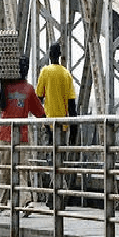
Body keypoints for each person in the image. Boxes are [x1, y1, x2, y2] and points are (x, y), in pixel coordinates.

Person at [0, 55, 46, 216]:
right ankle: (4, 201)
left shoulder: (29, 89)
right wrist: (1, 84)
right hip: (6, 133)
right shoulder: (8, 86)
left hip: (21, 135)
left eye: (26, 65)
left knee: (21, 170)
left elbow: (39, 111)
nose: (24, 68)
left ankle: (25, 202)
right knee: (5, 170)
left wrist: (49, 124)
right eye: (22, 65)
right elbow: (1, 105)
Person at [36, 42, 77, 208]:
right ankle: (54, 198)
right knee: (59, 161)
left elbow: (39, 96)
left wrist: (42, 118)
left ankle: (60, 194)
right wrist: (74, 127)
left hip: (49, 123)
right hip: (64, 124)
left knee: (51, 161)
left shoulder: (45, 71)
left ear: (49, 54)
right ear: (60, 54)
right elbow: (72, 103)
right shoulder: (66, 74)